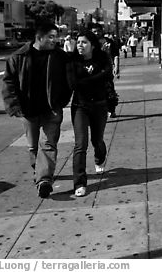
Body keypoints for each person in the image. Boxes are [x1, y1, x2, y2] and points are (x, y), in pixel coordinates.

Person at [2, 22, 72, 198]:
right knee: (32, 147)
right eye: (50, 37)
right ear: (39, 38)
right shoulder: (18, 57)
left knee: (49, 144)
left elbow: (68, 79)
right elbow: (9, 83)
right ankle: (39, 169)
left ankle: (44, 180)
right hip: (28, 110)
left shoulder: (59, 56)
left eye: (55, 37)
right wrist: (14, 106)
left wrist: (63, 99)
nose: (54, 40)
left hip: (51, 109)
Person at [66, 30, 113, 197]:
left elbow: (108, 76)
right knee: (80, 144)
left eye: (84, 42)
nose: (80, 45)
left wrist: (86, 80)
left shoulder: (102, 58)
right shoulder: (72, 61)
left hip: (100, 105)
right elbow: (73, 85)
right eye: (78, 42)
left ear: (92, 45)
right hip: (80, 106)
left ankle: (99, 158)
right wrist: (96, 77)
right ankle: (79, 182)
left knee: (97, 139)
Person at [91, 24, 119, 118]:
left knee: (109, 90)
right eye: (94, 31)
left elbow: (115, 54)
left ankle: (111, 109)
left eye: (98, 31)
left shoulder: (108, 42)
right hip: (93, 71)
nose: (96, 33)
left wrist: (116, 66)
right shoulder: (89, 42)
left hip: (107, 70)